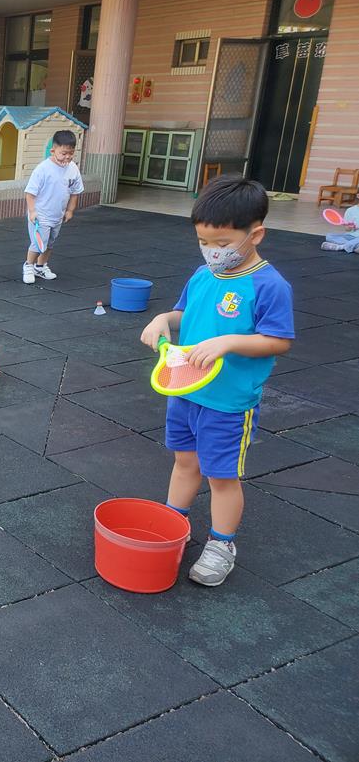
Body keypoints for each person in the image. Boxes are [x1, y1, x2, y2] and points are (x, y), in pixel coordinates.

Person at [141, 175, 294, 586]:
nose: (212, 251)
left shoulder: (269, 285)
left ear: (255, 234)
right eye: (204, 242)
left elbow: (279, 340)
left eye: (223, 243)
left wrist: (229, 342)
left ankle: (222, 544)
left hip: (228, 402)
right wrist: (162, 319)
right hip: (184, 388)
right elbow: (184, 315)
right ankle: (173, 522)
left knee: (221, 476)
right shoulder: (203, 275)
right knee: (184, 461)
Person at [23, 129, 84, 284]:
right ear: (53, 150)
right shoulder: (43, 169)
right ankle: (28, 265)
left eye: (71, 153)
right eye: (63, 153)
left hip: (57, 215)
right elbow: (30, 193)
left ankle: (40, 266)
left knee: (50, 243)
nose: (67, 157)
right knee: (38, 243)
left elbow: (75, 192)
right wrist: (32, 211)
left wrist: (70, 210)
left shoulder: (73, 168)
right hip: (41, 214)